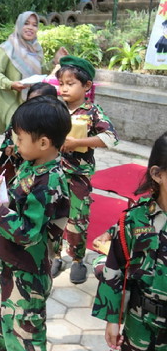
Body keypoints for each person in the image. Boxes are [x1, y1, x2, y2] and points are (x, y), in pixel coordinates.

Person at [0, 96, 72, 350]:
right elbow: (14, 204)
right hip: (12, 265)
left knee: (24, 339)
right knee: (1, 330)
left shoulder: (50, 182)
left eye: (20, 139)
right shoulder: (31, 166)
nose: (15, 144)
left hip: (29, 274)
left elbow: (28, 232)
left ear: (43, 142)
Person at [92, 132, 167, 351]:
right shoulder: (134, 219)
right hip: (139, 325)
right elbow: (116, 268)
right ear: (158, 174)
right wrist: (113, 319)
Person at [51, 56, 119, 284]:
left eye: (71, 84)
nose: (64, 89)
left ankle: (78, 259)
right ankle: (55, 256)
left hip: (78, 176)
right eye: (61, 84)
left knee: (77, 219)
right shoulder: (56, 108)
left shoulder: (91, 111)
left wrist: (80, 142)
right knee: (53, 215)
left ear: (87, 86)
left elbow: (111, 137)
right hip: (53, 173)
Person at [0, 11, 68, 133]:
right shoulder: (6, 48)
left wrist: (54, 61)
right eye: (26, 23)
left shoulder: (36, 49)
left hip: (31, 100)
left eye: (34, 25)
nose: (30, 28)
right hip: (10, 101)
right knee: (16, 136)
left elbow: (38, 73)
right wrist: (11, 84)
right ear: (19, 25)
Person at [0, 81, 58, 171]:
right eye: (30, 100)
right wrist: (8, 148)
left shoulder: (52, 123)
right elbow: (9, 134)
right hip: (15, 164)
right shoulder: (21, 116)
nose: (33, 105)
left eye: (39, 101)